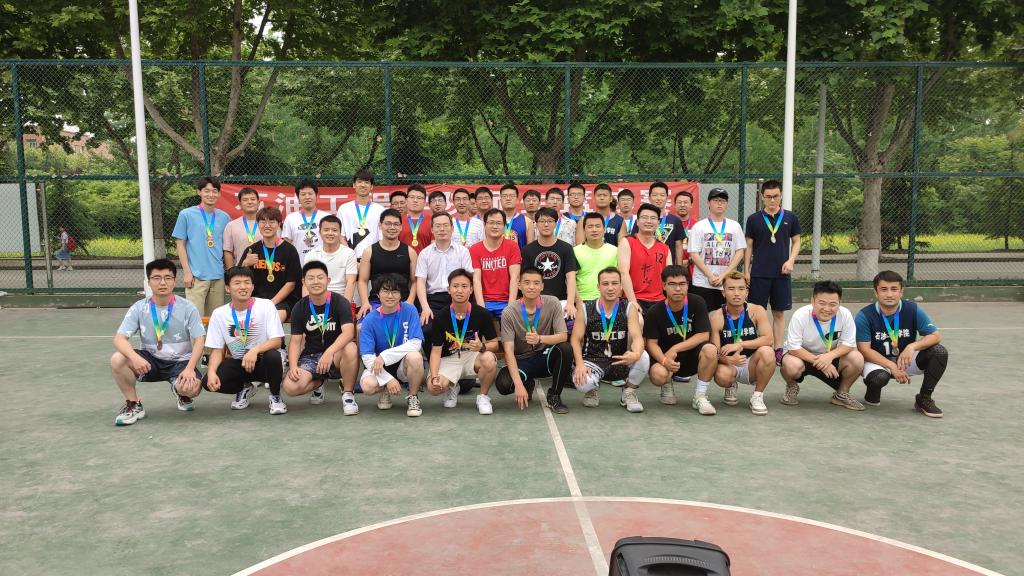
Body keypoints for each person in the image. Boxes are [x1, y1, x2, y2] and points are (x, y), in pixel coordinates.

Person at [111, 259, 206, 425]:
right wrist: (134, 357)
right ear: (149, 282)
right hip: (150, 361)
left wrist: (190, 368)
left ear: (174, 281)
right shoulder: (139, 307)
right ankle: (134, 404)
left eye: (168, 278)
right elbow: (119, 339)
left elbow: (200, 339)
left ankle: (182, 393)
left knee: (192, 388)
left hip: (180, 362)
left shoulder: (187, 307)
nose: (162, 282)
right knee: (117, 359)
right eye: (156, 278)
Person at [855, 270, 947, 418]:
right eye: (884, 289)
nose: (889, 294)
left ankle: (924, 398)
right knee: (879, 378)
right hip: (877, 361)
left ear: (901, 292)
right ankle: (873, 392)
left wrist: (912, 347)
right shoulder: (865, 315)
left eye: (894, 289)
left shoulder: (913, 310)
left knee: (939, 352)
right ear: (876, 292)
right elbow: (864, 350)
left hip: (905, 360)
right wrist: (891, 366)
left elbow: (935, 336)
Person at [202, 266, 287, 415]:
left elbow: (277, 341)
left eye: (247, 282)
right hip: (240, 363)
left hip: (264, 362)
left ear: (253, 286)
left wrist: (255, 350)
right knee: (207, 381)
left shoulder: (266, 305)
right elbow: (217, 350)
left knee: (273, 355)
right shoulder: (219, 314)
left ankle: (275, 396)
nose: (243, 287)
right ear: (227, 288)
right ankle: (244, 387)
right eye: (237, 283)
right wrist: (211, 372)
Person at [283, 261, 360, 414]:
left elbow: (348, 333)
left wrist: (329, 352)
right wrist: (293, 366)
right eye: (311, 278)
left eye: (320, 277)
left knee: (351, 348)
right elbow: (296, 341)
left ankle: (348, 394)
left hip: (336, 355)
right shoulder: (299, 307)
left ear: (328, 280)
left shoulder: (341, 302)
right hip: (312, 356)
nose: (316, 281)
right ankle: (318, 383)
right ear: (304, 282)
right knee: (290, 387)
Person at [571, 267, 650, 413]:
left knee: (643, 357)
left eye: (614, 283)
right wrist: (580, 364)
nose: (610, 288)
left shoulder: (629, 307)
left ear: (621, 286)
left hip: (620, 359)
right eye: (605, 284)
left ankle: (628, 392)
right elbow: (575, 339)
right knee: (582, 383)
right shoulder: (586, 308)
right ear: (598, 286)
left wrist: (636, 353)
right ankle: (592, 389)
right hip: (593, 360)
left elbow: (637, 337)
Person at [495, 267, 573, 413]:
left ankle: (554, 395)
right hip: (522, 360)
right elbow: (508, 351)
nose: (531, 287)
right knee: (503, 385)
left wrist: (539, 339)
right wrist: (518, 384)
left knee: (566, 349)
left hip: (544, 356)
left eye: (536, 283)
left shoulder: (553, 302)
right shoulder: (509, 312)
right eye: (527, 282)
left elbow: (563, 336)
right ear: (519, 285)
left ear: (542, 286)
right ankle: (526, 383)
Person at [644, 265, 719, 414]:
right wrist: (664, 360)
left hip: (691, 356)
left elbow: (704, 335)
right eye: (672, 284)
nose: (678, 289)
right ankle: (667, 384)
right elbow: (651, 344)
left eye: (682, 284)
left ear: (687, 285)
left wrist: (676, 348)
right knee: (658, 375)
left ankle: (700, 396)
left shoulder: (697, 302)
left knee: (711, 350)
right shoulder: (654, 311)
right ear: (664, 286)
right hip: (666, 357)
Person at [780, 281, 865, 410]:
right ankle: (791, 386)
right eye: (822, 303)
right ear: (812, 301)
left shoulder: (845, 314)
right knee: (791, 365)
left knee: (857, 358)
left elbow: (849, 344)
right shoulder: (800, 315)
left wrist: (829, 357)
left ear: (839, 303)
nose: (827, 309)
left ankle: (841, 394)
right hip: (803, 357)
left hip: (831, 357)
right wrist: (821, 361)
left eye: (833, 304)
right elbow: (794, 348)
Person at [744, 180, 801, 366]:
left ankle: (778, 349)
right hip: (759, 273)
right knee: (755, 313)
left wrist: (791, 261)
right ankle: (756, 348)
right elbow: (749, 246)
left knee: (778, 313)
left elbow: (797, 241)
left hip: (781, 274)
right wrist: (746, 270)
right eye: (768, 197)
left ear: (781, 195)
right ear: (762, 197)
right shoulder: (753, 219)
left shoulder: (790, 217)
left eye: (775, 196)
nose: (772, 200)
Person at [427, 269, 499, 414]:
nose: (459, 290)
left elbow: (495, 344)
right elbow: (435, 351)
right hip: (449, 358)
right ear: (449, 289)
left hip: (472, 356)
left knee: (489, 358)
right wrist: (434, 377)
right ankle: (452, 387)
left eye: (464, 286)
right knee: (433, 388)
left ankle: (483, 397)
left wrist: (482, 346)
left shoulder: (482, 314)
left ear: (471, 289)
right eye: (455, 286)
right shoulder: (440, 316)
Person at [358, 274, 426, 417]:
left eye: (395, 291)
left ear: (401, 295)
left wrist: (385, 356)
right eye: (385, 291)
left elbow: (416, 343)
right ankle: (384, 389)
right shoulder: (369, 319)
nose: (390, 296)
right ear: (378, 294)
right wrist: (387, 379)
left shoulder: (409, 310)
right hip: (380, 366)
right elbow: (367, 357)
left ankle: (413, 397)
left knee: (415, 357)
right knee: (367, 386)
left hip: (403, 364)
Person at [709, 272, 775, 415]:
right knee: (721, 375)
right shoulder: (716, 317)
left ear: (747, 292)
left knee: (768, 352)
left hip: (752, 362)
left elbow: (768, 339)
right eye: (731, 289)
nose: (736, 293)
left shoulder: (757, 310)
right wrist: (728, 359)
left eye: (741, 289)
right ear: (723, 292)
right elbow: (714, 352)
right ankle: (731, 385)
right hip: (729, 364)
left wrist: (741, 344)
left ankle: (757, 396)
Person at [173, 176, 229, 317]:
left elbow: (228, 247)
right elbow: (180, 244)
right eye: (206, 191)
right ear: (199, 192)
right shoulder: (186, 214)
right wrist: (187, 272)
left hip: (218, 277)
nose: (211, 194)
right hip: (196, 278)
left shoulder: (225, 217)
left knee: (215, 320)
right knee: (195, 320)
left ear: (219, 194)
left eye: (215, 191)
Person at [238, 206, 302, 322]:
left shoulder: (290, 251)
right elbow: (237, 277)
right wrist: (245, 264)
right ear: (258, 224)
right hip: (255, 300)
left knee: (274, 319)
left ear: (279, 224)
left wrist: (270, 303)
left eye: (272, 221)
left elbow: (291, 284)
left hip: (282, 301)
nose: (267, 225)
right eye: (263, 222)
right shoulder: (251, 250)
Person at [416, 212, 473, 338]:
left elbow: (468, 279)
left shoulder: (463, 252)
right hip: (433, 300)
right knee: (426, 330)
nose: (442, 229)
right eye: (437, 226)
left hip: (458, 298)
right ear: (432, 230)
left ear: (452, 229)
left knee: (463, 331)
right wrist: (425, 307)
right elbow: (420, 282)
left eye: (445, 225)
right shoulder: (424, 254)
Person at [688, 187, 746, 310]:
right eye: (716, 200)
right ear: (708, 203)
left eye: (723, 201)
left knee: (725, 315)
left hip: (726, 282)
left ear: (727, 204)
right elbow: (694, 254)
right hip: (702, 282)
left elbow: (740, 252)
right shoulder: (699, 226)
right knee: (703, 316)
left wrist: (725, 274)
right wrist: (709, 275)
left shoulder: (734, 226)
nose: (719, 204)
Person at [357, 209, 418, 318]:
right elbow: (362, 280)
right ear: (380, 225)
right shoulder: (369, 251)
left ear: (401, 227)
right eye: (388, 224)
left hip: (403, 302)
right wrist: (365, 303)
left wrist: (410, 301)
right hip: (376, 302)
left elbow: (415, 281)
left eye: (396, 224)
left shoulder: (410, 252)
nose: (392, 227)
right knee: (360, 326)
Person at [521, 207, 579, 322]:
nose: (546, 225)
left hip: (561, 301)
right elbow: (526, 279)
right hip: (536, 301)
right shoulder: (528, 250)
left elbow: (571, 277)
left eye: (550, 221)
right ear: (536, 224)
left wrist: (570, 303)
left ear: (556, 223)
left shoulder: (566, 248)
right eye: (542, 221)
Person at [470, 208, 522, 323]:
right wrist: (481, 307)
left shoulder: (512, 247)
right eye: (491, 223)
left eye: (498, 223)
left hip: (506, 301)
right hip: (484, 301)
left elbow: (515, 278)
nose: (495, 226)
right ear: (484, 225)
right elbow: (476, 279)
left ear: (504, 226)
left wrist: (510, 307)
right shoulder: (474, 249)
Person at [619, 203, 672, 312]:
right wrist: (633, 302)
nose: (648, 221)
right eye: (644, 217)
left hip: (659, 300)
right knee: (638, 321)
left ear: (658, 223)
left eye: (653, 218)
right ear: (637, 222)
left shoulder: (665, 248)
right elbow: (623, 273)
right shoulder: (627, 242)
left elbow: (669, 278)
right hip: (633, 298)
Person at [303, 215, 357, 304]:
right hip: (317, 302)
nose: (330, 233)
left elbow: (351, 282)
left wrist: (344, 306)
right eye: (326, 230)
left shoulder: (349, 254)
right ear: (320, 232)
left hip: (341, 300)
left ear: (340, 233)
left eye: (334, 230)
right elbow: (306, 284)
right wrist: (308, 306)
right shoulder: (311, 255)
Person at [631, 182, 687, 267]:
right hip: (645, 265)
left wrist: (679, 268)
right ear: (649, 198)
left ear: (667, 198)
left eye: (662, 195)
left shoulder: (675, 220)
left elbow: (678, 246)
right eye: (655, 195)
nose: (658, 198)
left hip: (668, 267)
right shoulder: (641, 220)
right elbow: (635, 242)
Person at [338, 168, 384, 259]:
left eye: (366, 182)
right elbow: (341, 236)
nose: (363, 185)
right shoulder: (344, 209)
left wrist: (373, 258)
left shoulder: (380, 210)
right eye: (359, 182)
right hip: (350, 258)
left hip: (374, 258)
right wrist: (351, 258)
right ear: (354, 185)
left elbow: (382, 238)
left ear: (371, 186)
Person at [573, 212, 618, 302]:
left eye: (598, 226)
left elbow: (622, 278)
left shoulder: (615, 251)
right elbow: (570, 280)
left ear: (604, 229)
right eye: (590, 227)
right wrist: (578, 301)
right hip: (583, 299)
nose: (594, 230)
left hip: (609, 300)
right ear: (584, 230)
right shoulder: (574, 252)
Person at [282, 179, 329, 259]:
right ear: (298, 198)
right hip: (298, 264)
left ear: (316, 196)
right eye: (303, 194)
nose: (307, 197)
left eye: (310, 194)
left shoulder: (326, 217)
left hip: (323, 264)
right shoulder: (290, 219)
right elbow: (286, 245)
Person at [223, 187, 262, 267]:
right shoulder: (231, 226)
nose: (249, 202)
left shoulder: (267, 225)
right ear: (240, 205)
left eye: (253, 199)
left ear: (258, 203)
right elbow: (228, 251)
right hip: (241, 271)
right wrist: (231, 271)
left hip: (265, 270)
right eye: (245, 200)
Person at [498, 183, 534, 249]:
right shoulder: (494, 220)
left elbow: (530, 249)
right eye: (505, 196)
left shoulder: (527, 221)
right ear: (500, 201)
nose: (508, 199)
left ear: (517, 200)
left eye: (511, 196)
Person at [400, 184, 433, 254]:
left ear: (424, 202)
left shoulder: (433, 221)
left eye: (419, 198)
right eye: (412, 197)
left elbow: (434, 246)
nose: (415, 200)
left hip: (425, 260)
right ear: (406, 200)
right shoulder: (398, 221)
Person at [673, 190, 696, 259]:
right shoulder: (669, 224)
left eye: (686, 202)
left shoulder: (697, 225)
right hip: (672, 263)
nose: (682, 205)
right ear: (675, 205)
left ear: (691, 205)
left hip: (692, 263)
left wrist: (690, 260)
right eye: (679, 202)